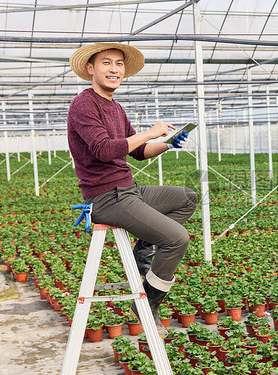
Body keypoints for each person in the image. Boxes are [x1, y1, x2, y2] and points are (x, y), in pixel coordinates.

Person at [67, 42, 197, 337]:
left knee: (187, 198)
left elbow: (137, 152)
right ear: (91, 68)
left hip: (128, 189)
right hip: (105, 197)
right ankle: (147, 301)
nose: (114, 69)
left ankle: (144, 251)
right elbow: (103, 150)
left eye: (119, 64)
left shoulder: (115, 107)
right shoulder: (84, 104)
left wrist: (166, 143)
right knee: (177, 239)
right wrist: (150, 132)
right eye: (106, 63)